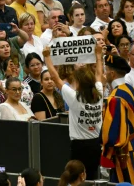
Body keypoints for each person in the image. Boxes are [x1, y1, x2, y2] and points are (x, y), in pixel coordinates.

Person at [43, 45, 103, 180]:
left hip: (79, 145)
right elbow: (99, 73)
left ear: (79, 83)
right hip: (95, 144)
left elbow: (55, 78)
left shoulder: (75, 98)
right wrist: (98, 55)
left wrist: (47, 56)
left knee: (75, 178)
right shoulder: (99, 94)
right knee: (92, 177)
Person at [101, 54, 134, 184]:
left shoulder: (115, 98)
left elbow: (111, 132)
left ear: (112, 74)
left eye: (106, 70)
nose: (105, 74)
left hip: (123, 154)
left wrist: (106, 156)